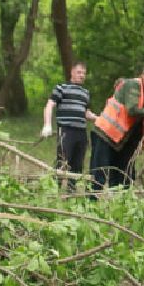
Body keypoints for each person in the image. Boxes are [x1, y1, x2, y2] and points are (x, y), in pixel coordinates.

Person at [90, 64, 144, 192]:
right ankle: (90, 203)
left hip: (120, 140)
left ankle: (119, 205)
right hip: (105, 134)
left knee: (121, 175)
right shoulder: (132, 85)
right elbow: (133, 110)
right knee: (100, 174)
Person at [41, 61, 97, 191]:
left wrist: (99, 119)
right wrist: (47, 125)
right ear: (72, 72)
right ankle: (55, 191)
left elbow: (86, 113)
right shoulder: (61, 87)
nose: (82, 75)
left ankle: (71, 192)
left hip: (81, 132)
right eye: (79, 72)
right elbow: (49, 105)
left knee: (77, 164)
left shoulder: (85, 93)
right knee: (63, 161)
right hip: (66, 131)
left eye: (84, 73)